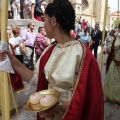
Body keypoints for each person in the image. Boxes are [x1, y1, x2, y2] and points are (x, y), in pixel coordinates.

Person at [0, 0, 104, 120]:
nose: (43, 25)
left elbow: (90, 101)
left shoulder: (84, 55)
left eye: (45, 20)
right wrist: (11, 60)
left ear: (53, 21)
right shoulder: (50, 49)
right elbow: (36, 79)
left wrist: (59, 107)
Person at [104, 24, 120, 106]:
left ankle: (118, 99)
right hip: (114, 62)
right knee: (110, 78)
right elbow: (111, 47)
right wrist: (106, 48)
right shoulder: (115, 38)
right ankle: (109, 96)